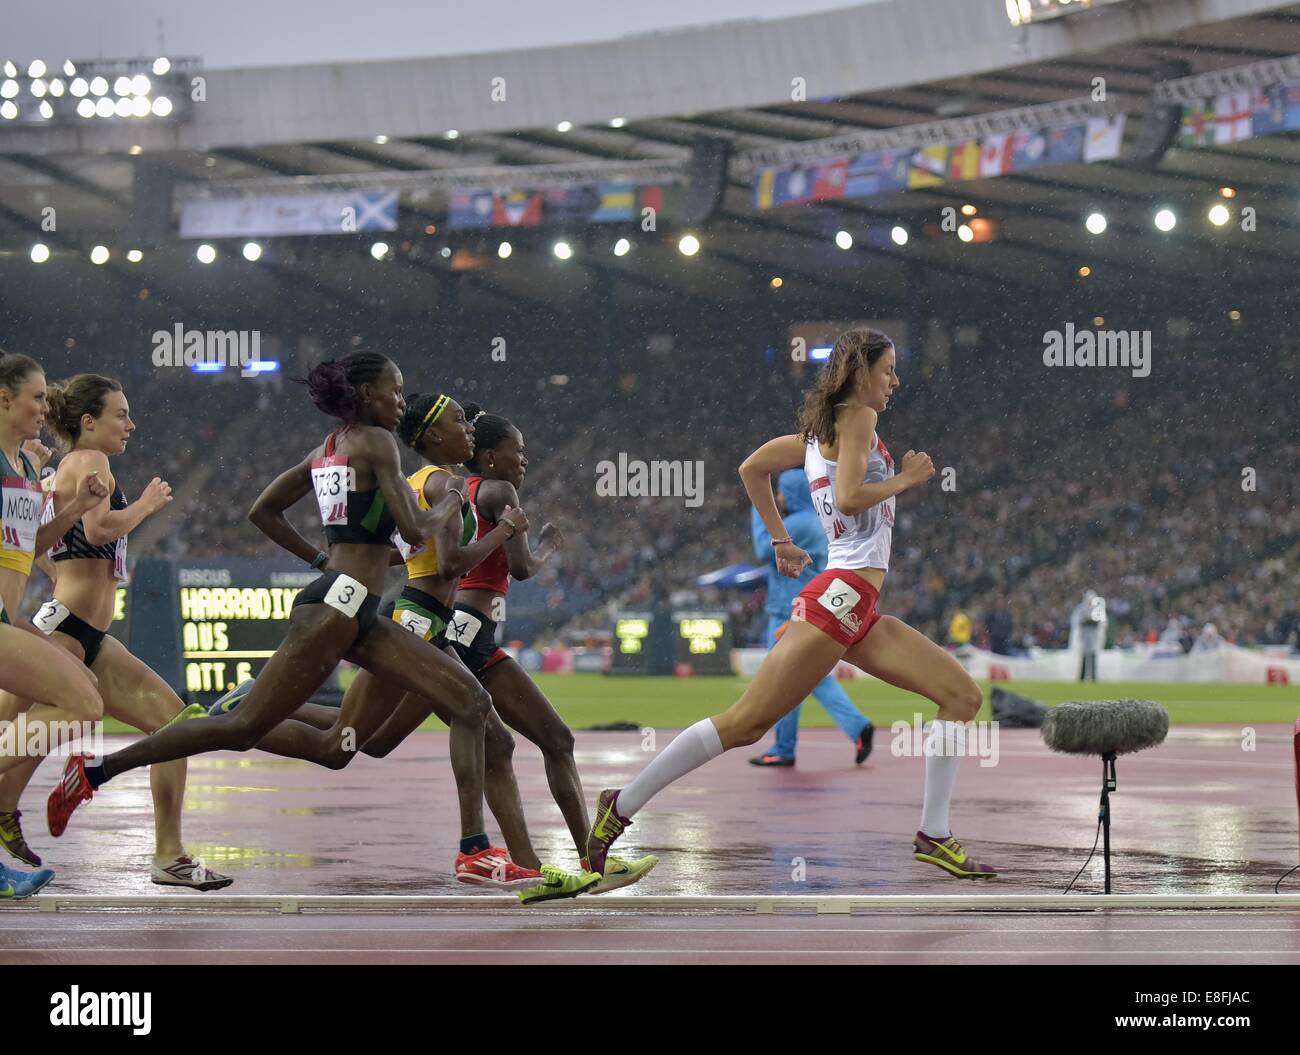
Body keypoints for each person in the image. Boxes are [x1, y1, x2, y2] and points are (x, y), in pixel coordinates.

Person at [47, 352, 526, 887]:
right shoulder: (376, 442)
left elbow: (263, 511)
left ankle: (474, 851)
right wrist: (449, 506)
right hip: (339, 608)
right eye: (395, 389)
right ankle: (95, 771)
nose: (399, 400)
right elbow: (416, 531)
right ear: (367, 395)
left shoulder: (327, 449)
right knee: (241, 727)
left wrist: (323, 559)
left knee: (397, 728)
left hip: (351, 606)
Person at [584, 327, 997, 881]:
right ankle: (621, 806)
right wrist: (906, 478)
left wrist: (781, 539)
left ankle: (935, 834)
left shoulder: (810, 439)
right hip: (840, 596)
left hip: (856, 605)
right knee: (747, 723)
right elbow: (849, 498)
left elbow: (751, 469)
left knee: (961, 696)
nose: (895, 381)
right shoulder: (859, 420)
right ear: (859, 374)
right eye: (887, 370)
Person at [1, 373, 231, 889]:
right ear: (88, 423)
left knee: (173, 726)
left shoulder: (65, 468)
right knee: (26, 736)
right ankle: (8, 811)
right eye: (120, 414)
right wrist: (148, 504)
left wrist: (59, 575)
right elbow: (100, 530)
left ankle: (169, 856)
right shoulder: (89, 461)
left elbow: (36, 543)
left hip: (80, 631)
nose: (131, 423)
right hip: (65, 629)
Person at [450, 403, 657, 891]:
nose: (524, 458)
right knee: (363, 736)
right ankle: (571, 863)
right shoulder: (500, 490)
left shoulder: (471, 488)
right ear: (491, 456)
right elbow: (521, 569)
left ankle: (581, 863)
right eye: (515, 450)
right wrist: (545, 547)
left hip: (469, 633)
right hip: (469, 634)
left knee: (549, 740)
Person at [748, 469, 874, 768]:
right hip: (805, 607)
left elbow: (761, 547)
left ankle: (783, 747)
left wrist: (758, 503)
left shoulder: (796, 524)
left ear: (791, 493)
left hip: (788, 611)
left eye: (780, 492)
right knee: (810, 677)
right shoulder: (816, 521)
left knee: (783, 679)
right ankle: (857, 726)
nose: (777, 498)